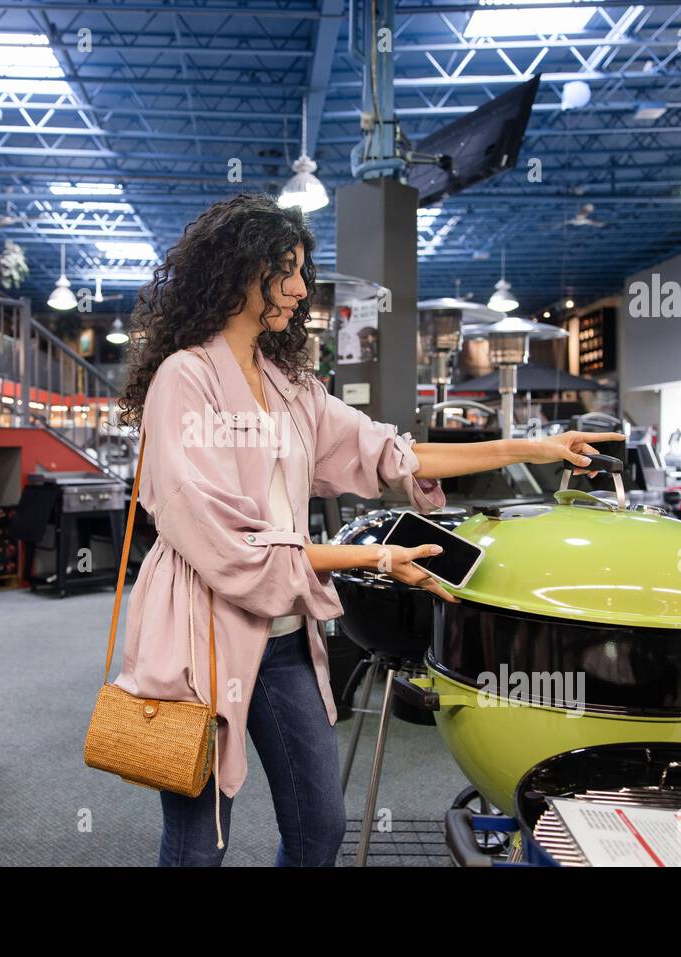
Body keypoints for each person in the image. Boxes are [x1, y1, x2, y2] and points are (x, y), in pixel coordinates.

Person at [112, 192, 622, 866]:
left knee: (321, 828)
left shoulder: (288, 385)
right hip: (197, 640)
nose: (299, 288)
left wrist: (531, 447)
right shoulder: (184, 380)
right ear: (239, 271)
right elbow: (224, 543)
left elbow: (393, 452)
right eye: (284, 270)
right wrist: (372, 559)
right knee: (200, 842)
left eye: (300, 270)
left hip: (285, 641)